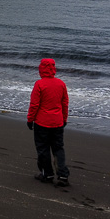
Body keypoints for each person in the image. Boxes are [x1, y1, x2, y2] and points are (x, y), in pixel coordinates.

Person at [27, 58, 70, 186]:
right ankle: (62, 175)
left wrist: (30, 119)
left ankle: (48, 174)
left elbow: (34, 105)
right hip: (57, 122)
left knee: (43, 148)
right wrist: (64, 118)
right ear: (53, 68)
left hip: (42, 123)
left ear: (41, 68)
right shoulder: (61, 84)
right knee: (58, 148)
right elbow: (65, 103)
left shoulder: (39, 84)